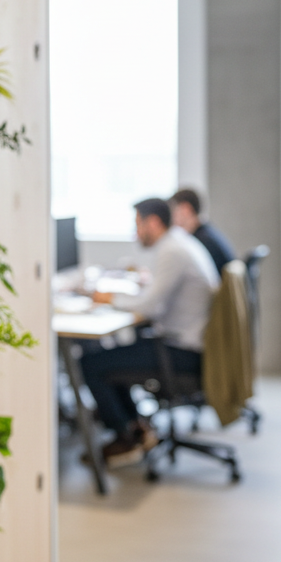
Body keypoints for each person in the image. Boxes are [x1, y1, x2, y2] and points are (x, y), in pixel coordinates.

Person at [81, 198, 221, 466]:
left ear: (153, 222)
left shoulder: (172, 251)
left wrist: (107, 297)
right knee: (106, 356)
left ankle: (125, 437)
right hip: (188, 342)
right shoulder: (179, 243)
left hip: (182, 351)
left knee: (91, 363)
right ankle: (138, 428)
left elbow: (150, 306)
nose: (136, 233)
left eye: (138, 225)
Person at [169, 188, 237, 276]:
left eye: (173, 211)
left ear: (186, 209)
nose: (171, 217)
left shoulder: (200, 240)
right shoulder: (207, 232)